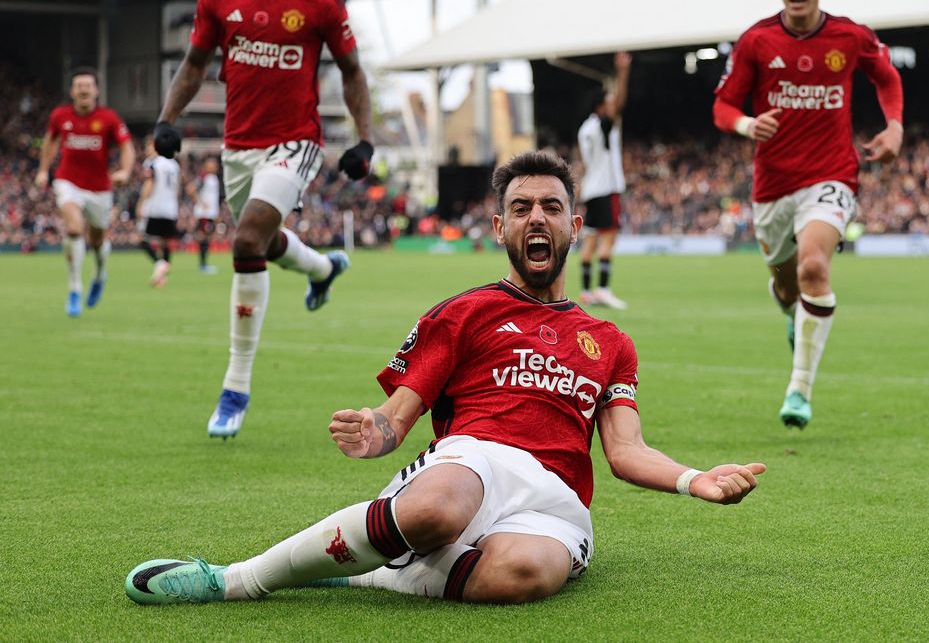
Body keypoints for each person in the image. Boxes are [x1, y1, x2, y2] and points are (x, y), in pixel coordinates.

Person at [125, 150, 766, 607]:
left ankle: (368, 574)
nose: (536, 218)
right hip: (473, 459)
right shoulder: (463, 313)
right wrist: (374, 431)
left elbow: (625, 452)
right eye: (520, 208)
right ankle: (238, 579)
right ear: (500, 228)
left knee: (526, 575)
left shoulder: (612, 343)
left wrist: (693, 480)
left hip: (557, 500)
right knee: (436, 508)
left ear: (576, 225)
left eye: (551, 207)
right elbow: (396, 420)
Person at [152, 0, 375, 438]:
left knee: (247, 239)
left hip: (296, 142)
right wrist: (167, 119)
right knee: (263, 241)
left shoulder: (320, 3)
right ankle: (323, 269)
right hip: (238, 147)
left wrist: (365, 140)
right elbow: (195, 65)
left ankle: (236, 386)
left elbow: (351, 71)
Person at [713, 0, 903, 429]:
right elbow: (722, 105)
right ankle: (792, 317)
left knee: (814, 268)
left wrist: (895, 125)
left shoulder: (850, 36)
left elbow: (887, 77)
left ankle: (799, 389)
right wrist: (747, 124)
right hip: (772, 186)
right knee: (785, 285)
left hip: (832, 173)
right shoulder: (757, 41)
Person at [33, 66, 134, 317]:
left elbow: (127, 147)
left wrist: (125, 171)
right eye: (79, 85)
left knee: (97, 240)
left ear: (96, 90)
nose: (84, 89)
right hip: (68, 181)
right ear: (72, 91)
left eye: (88, 85)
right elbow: (50, 141)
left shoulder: (109, 118)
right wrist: (44, 170)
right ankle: (75, 289)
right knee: (74, 228)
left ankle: (100, 274)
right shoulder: (60, 116)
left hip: (100, 188)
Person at [577, 51, 631, 309]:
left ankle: (586, 291)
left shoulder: (584, 128)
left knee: (590, 241)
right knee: (608, 239)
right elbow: (619, 103)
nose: (612, 105)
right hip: (607, 188)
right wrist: (623, 72)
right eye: (607, 102)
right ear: (601, 106)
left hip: (591, 189)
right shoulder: (602, 125)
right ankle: (604, 289)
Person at [137, 141, 182, 287]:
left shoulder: (153, 163)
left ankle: (159, 263)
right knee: (166, 242)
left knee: (141, 238)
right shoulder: (174, 165)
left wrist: (141, 203)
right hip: (170, 208)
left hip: (155, 207)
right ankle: (162, 277)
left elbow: (149, 184)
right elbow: (177, 189)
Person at [188, 156, 221, 274]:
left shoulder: (213, 178)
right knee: (203, 237)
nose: (215, 166)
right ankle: (203, 265)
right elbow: (191, 189)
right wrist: (200, 203)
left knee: (206, 238)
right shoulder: (204, 177)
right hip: (204, 214)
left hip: (210, 214)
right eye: (212, 163)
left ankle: (204, 264)